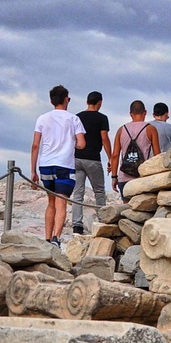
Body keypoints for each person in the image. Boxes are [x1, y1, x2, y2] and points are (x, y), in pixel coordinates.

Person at [31, 85, 86, 246]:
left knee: (50, 202)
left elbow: (35, 145)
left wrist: (33, 170)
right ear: (66, 99)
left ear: (51, 101)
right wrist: (71, 143)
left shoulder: (42, 118)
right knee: (61, 202)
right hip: (64, 165)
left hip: (45, 164)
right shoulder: (73, 119)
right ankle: (56, 238)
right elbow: (82, 144)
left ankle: (47, 238)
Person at [72, 91, 111, 235]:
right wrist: (111, 158)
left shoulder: (77, 117)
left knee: (78, 193)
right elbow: (104, 138)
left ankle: (77, 225)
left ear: (87, 101)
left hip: (77, 158)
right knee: (99, 191)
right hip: (93, 158)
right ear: (100, 102)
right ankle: (102, 220)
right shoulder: (102, 118)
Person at [112, 100, 161, 196]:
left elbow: (115, 155)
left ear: (130, 114)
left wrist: (114, 177)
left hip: (124, 177)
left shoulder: (121, 130)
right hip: (142, 177)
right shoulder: (150, 129)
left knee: (126, 209)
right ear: (145, 113)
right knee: (142, 209)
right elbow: (157, 155)